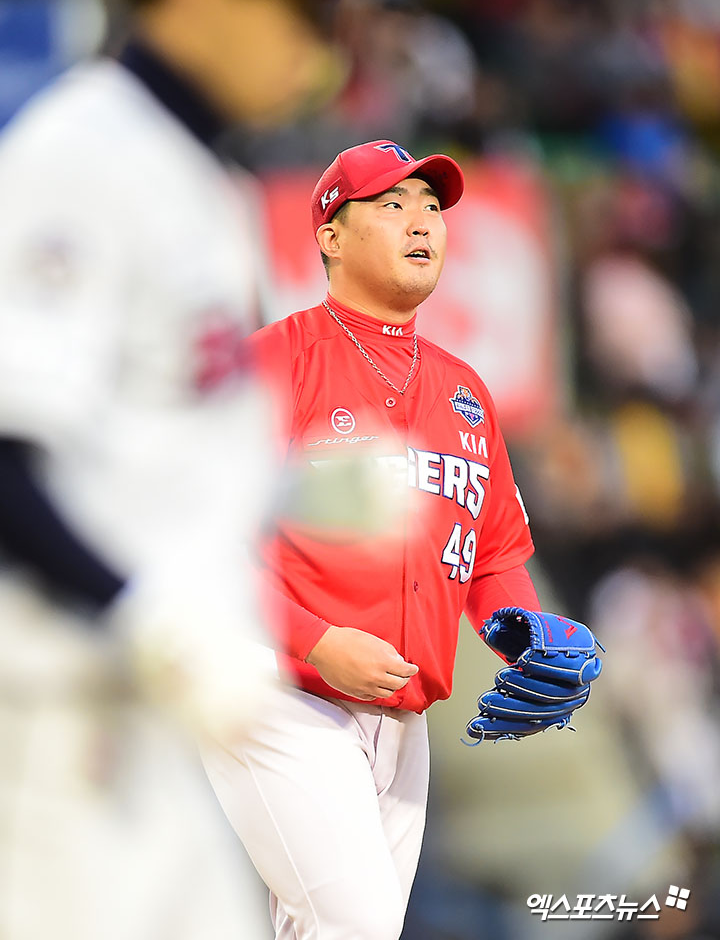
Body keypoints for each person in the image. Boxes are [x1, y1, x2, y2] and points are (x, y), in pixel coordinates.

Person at [0, 0, 336, 940]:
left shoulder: (199, 178)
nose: (320, 50)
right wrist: (147, 616)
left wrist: (310, 490)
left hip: (143, 731)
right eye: (308, 12)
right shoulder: (77, 155)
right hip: (27, 726)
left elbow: (151, 464)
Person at [200, 139, 543, 940]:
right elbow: (200, 538)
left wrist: (532, 647)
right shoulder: (276, 361)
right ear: (330, 235)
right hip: (280, 688)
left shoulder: (464, 388)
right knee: (358, 927)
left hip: (402, 715)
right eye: (392, 205)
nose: (422, 222)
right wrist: (315, 640)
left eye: (431, 208)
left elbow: (493, 554)